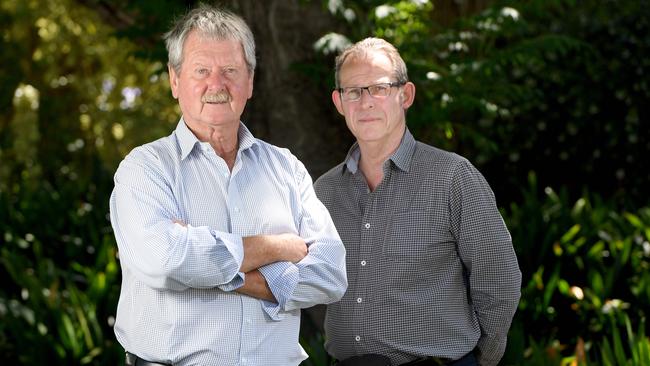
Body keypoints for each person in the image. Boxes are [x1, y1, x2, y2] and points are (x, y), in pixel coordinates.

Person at [109, 5, 347, 366]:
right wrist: (276, 248)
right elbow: (166, 262)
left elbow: (330, 274)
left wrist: (208, 265)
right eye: (201, 70)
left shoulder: (285, 168)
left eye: (230, 71)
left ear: (250, 81)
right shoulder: (144, 170)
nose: (216, 85)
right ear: (175, 81)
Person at [314, 37, 521, 366]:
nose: (365, 102)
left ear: (405, 95)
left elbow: (499, 278)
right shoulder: (324, 192)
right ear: (339, 102)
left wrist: (481, 359)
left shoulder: (452, 177)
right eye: (353, 91)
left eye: (379, 88)